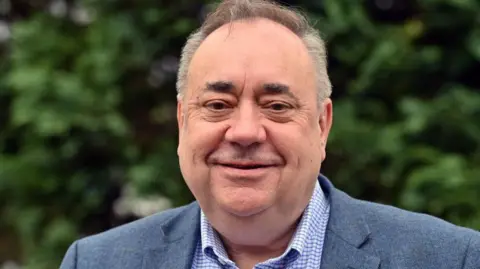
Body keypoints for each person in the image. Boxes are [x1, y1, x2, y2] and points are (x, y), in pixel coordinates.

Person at [60, 0, 480, 268]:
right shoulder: (96, 261)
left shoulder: (451, 259)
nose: (244, 132)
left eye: (277, 106)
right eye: (217, 106)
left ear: (321, 126)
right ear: (182, 122)